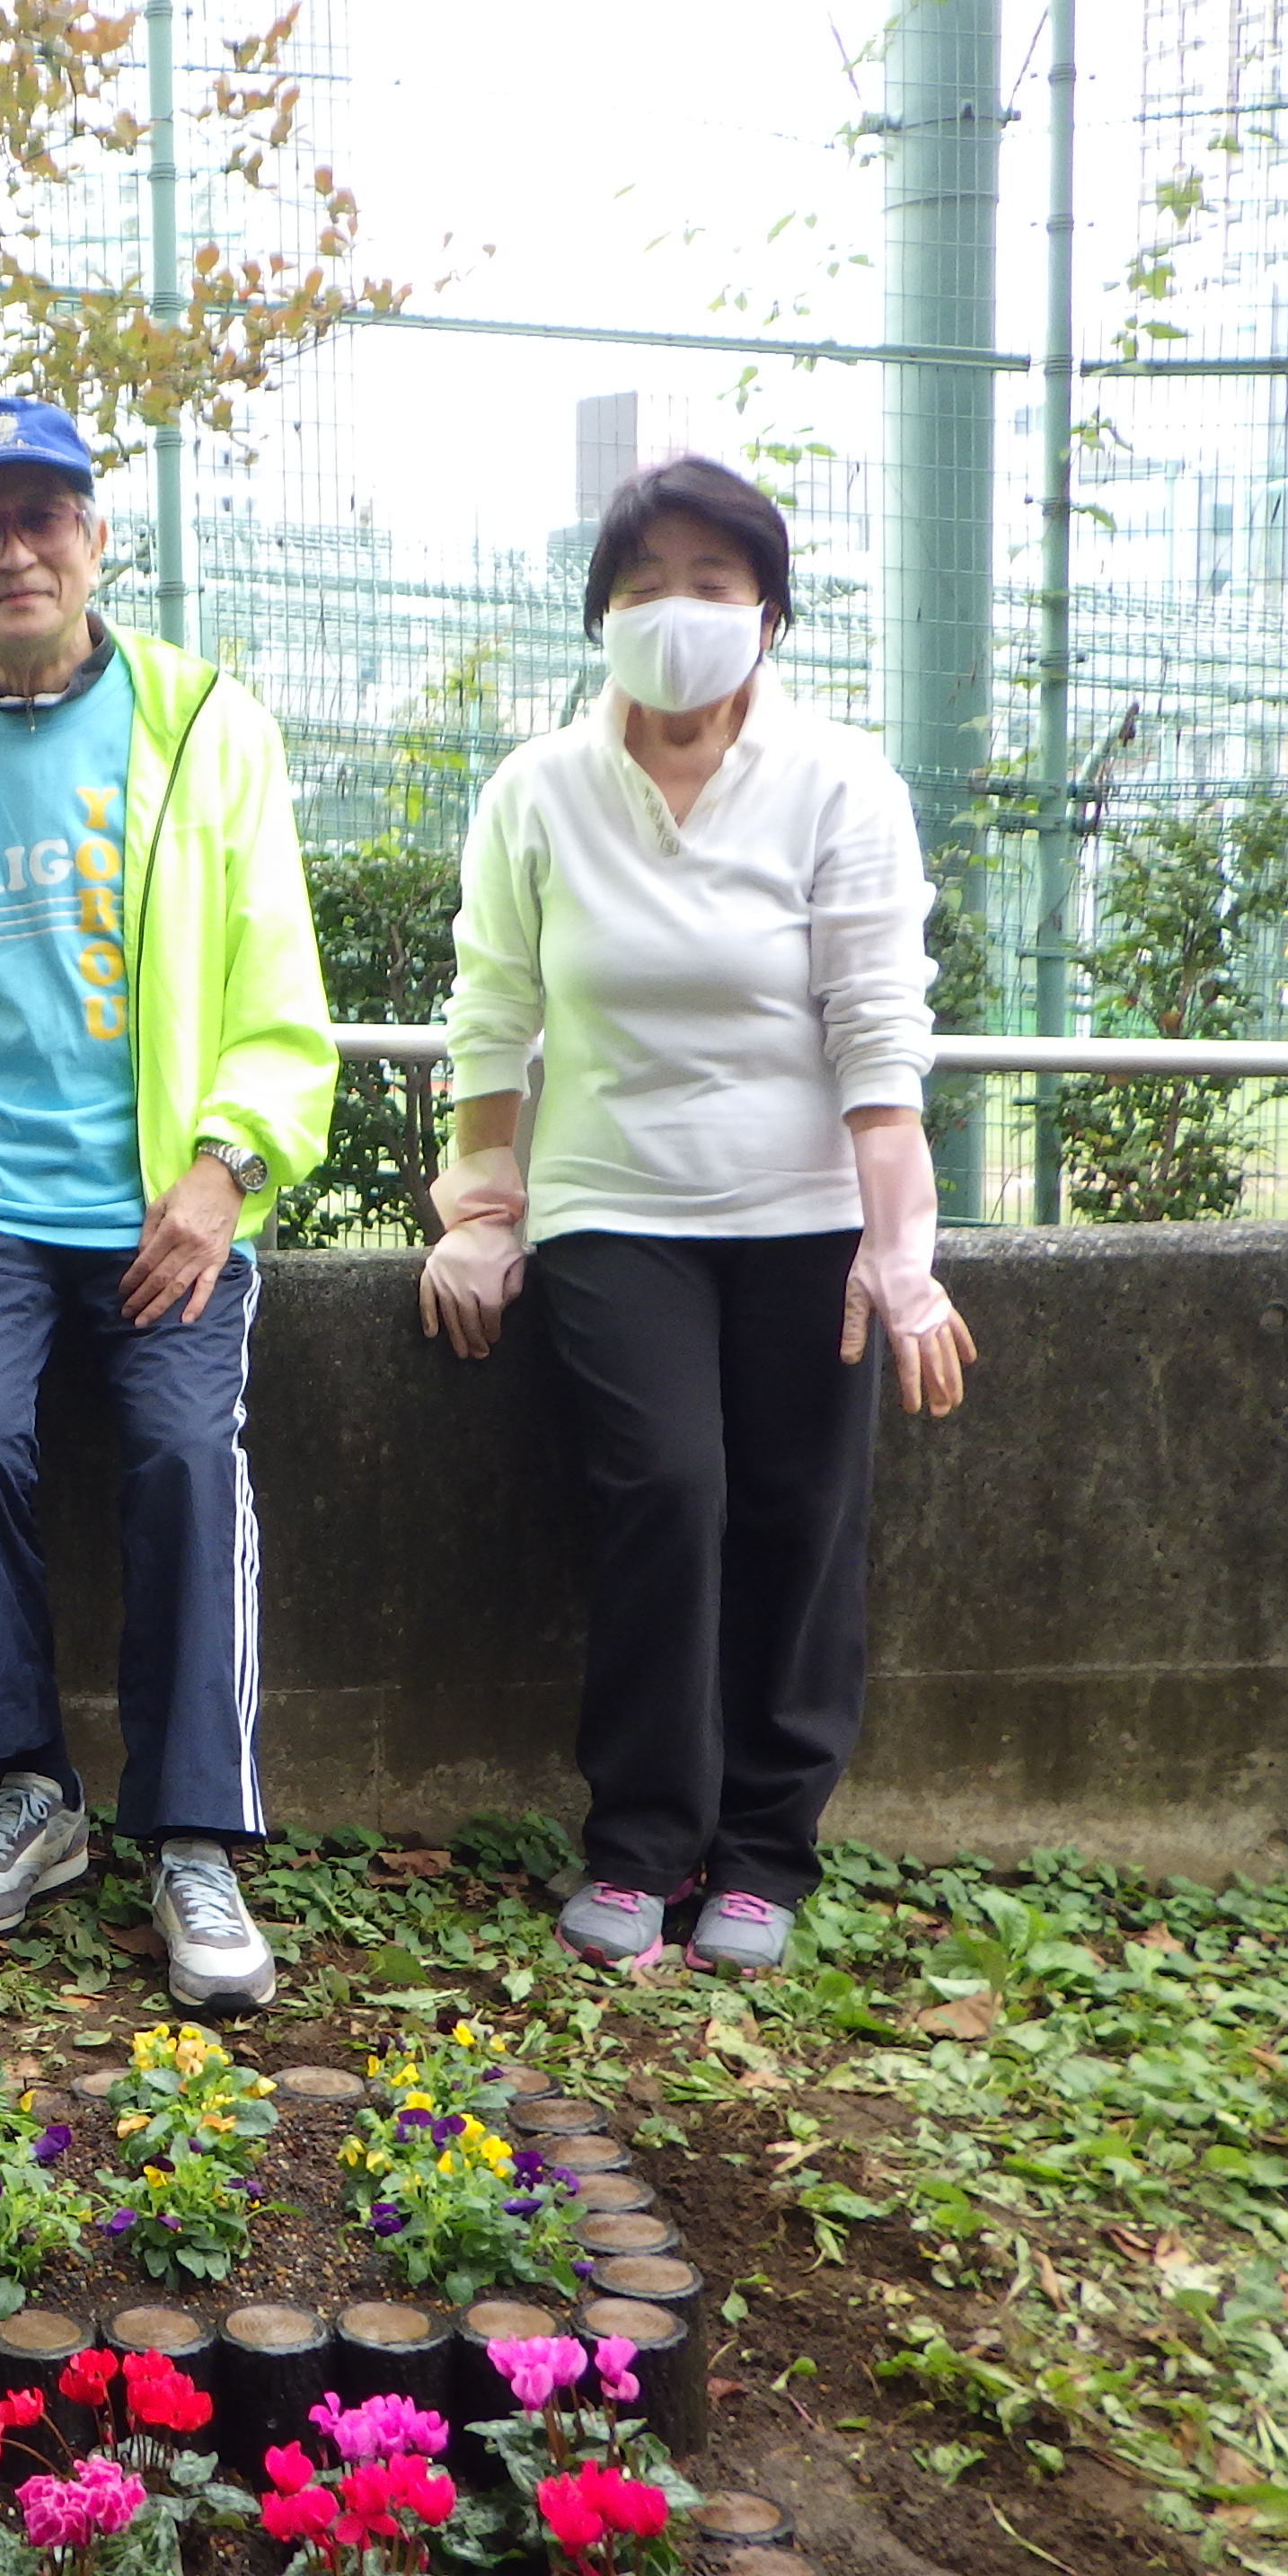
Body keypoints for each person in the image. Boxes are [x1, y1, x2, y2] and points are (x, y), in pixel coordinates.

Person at [0, 394, 339, 2014]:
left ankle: (193, 1834)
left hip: (166, 1196)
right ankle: (35, 1788)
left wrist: (225, 1166)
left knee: (181, 1455)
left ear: (97, 542)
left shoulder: (202, 723)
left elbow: (274, 976)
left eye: (46, 520)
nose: (16, 551)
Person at [420, 453, 975, 1980]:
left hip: (807, 1216)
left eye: (712, 584)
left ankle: (764, 1855)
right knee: (666, 1490)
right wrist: (483, 1206)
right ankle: (642, 1843)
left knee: (803, 1517)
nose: (677, 611)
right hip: (616, 1210)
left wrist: (900, 1251)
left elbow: (877, 1028)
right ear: (600, 614)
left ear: (770, 617)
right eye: (644, 583)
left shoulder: (841, 781)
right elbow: (495, 1008)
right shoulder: (537, 790)